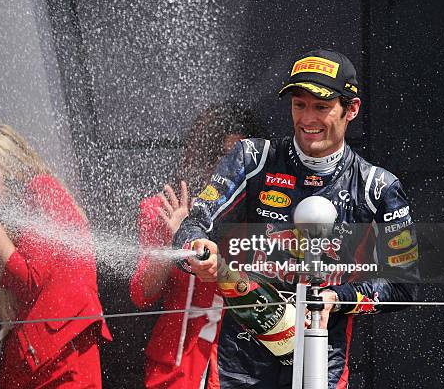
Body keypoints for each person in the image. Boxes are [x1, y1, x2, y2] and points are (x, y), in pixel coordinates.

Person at [173, 49, 419, 388]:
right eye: (299, 105)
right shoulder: (252, 159)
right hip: (240, 364)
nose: (307, 119)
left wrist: (338, 298)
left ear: (352, 109)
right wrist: (196, 250)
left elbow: (404, 284)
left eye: (321, 107)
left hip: (321, 362)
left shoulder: (377, 187)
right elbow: (196, 222)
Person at [0, 123, 111, 388]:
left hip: (63, 366)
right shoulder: (9, 220)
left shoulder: (42, 189)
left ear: (0, 170)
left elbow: (27, 280)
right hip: (35, 365)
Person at [130, 103, 259, 388]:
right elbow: (142, 294)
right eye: (224, 155)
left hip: (239, 367)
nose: (230, 168)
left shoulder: (261, 216)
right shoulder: (160, 208)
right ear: (203, 155)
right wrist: (175, 241)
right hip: (178, 369)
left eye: (241, 159)